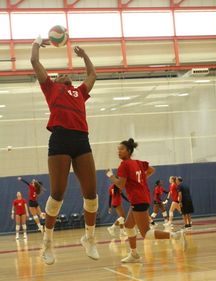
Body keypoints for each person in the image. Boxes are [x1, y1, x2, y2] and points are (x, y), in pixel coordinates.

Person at [30, 36, 99, 265]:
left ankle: (89, 238)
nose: (63, 74)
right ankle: (47, 242)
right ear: (57, 80)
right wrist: (37, 43)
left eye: (65, 74)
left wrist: (85, 56)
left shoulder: (79, 93)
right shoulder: (50, 88)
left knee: (91, 193)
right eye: (59, 74)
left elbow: (92, 75)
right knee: (57, 194)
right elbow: (34, 62)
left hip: (81, 140)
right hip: (60, 139)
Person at [106, 138, 185, 263]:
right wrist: (141, 179)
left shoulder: (124, 165)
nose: (118, 151)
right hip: (141, 198)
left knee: (146, 233)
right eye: (118, 149)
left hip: (138, 200)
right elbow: (152, 170)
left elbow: (120, 185)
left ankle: (174, 235)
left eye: (121, 149)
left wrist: (111, 176)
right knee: (128, 225)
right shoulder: (138, 162)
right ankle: (134, 254)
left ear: (129, 151)